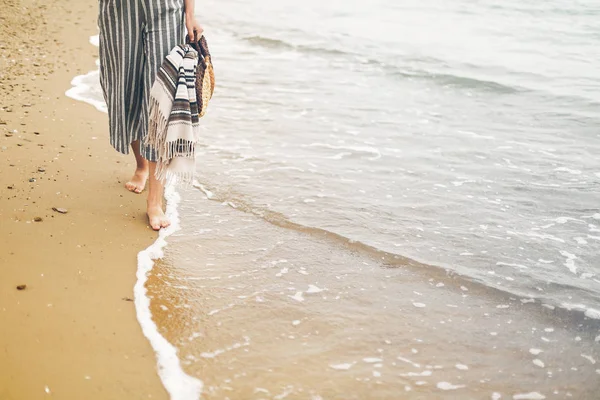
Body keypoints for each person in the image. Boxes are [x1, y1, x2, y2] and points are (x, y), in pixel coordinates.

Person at [98, 0, 203, 230]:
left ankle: (154, 201)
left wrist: (190, 13)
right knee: (124, 89)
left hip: (164, 8)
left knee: (161, 98)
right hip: (119, 10)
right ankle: (141, 166)